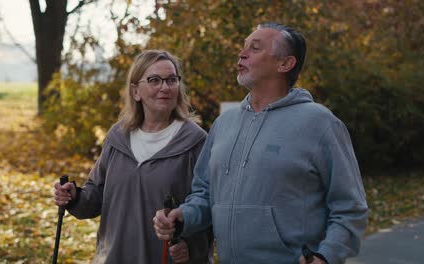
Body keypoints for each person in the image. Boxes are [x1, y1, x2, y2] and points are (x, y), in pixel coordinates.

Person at [153, 22, 368, 264]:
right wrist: (183, 217)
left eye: (254, 49)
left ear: (285, 63)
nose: (241, 54)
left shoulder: (320, 123)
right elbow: (205, 195)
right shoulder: (224, 124)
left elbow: (350, 207)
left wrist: (325, 256)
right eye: (243, 47)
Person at [54, 50, 213, 264]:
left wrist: (191, 247)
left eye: (171, 80)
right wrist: (74, 197)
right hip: (113, 257)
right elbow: (96, 196)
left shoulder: (195, 141)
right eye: (154, 80)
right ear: (136, 91)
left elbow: (209, 207)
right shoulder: (118, 137)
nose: (165, 87)